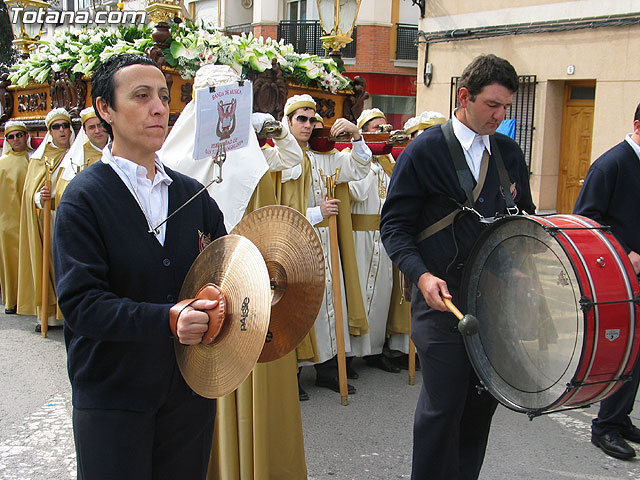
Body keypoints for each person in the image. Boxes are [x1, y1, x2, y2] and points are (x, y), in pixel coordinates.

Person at [53, 54, 226, 480]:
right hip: (114, 393)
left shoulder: (194, 195)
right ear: (105, 109)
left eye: (164, 97)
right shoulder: (84, 198)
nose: (159, 108)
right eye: (142, 96)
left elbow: (224, 269)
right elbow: (82, 304)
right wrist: (167, 319)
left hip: (188, 394)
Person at [380, 54, 536, 480]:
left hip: (494, 306)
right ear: (464, 97)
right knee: (443, 407)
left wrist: (521, 266)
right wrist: (421, 275)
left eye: (506, 107)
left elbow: (524, 220)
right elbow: (394, 228)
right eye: (492, 105)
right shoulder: (424, 151)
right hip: (441, 305)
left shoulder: (507, 152)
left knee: (481, 405)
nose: (500, 115)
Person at [279, 94, 372, 395]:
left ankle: (328, 369)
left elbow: (359, 168)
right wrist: (319, 212)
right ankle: (291, 376)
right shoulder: (277, 158)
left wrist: (357, 136)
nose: (307, 125)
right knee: (296, 306)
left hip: (327, 243)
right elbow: (276, 208)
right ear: (288, 122)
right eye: (301, 119)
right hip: (295, 243)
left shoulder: (326, 157)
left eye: (311, 119)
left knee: (330, 303)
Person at [574, 104, 640, 460]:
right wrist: (627, 251)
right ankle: (605, 427)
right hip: (622, 275)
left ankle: (621, 417)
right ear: (637, 125)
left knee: (639, 353)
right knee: (625, 352)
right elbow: (586, 220)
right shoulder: (611, 164)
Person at [347, 108, 401, 373]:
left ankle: (375, 351)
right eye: (377, 128)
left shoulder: (389, 161)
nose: (384, 132)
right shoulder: (355, 158)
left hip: (384, 236)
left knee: (381, 294)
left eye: (386, 128)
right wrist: (368, 160)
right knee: (359, 292)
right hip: (359, 236)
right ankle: (349, 354)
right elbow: (356, 192)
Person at [17, 107, 73, 330]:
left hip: (71, 217)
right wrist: (40, 197)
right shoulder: (39, 159)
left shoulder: (77, 154)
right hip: (50, 218)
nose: (62, 131)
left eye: (65, 126)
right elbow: (31, 193)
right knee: (50, 264)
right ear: (50, 131)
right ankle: (49, 315)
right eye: (56, 127)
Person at [0, 121, 31, 314]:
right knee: (11, 261)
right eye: (11, 136)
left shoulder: (35, 158)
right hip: (8, 221)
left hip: (30, 218)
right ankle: (12, 300)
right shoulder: (2, 164)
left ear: (26, 136)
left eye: (19, 135)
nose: (16, 139)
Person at [57, 106, 109, 198]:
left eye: (100, 125)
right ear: (85, 131)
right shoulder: (76, 158)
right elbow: (64, 193)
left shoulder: (119, 151)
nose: (97, 131)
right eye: (91, 127)